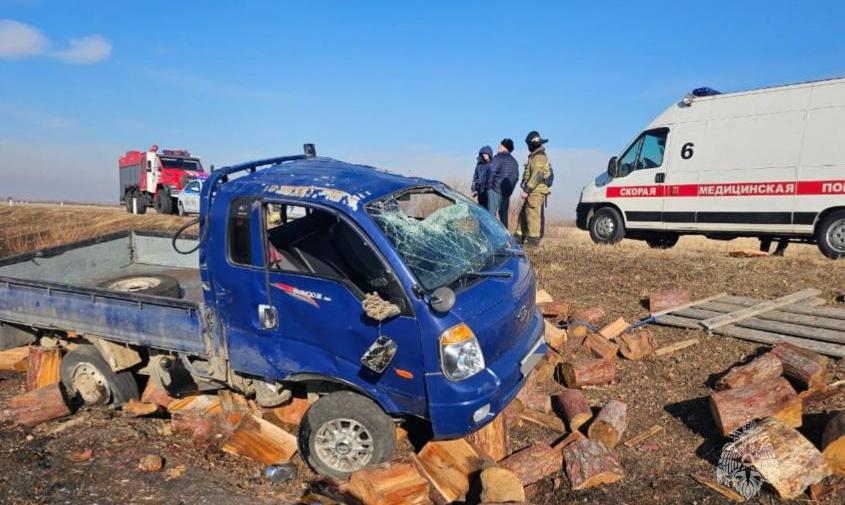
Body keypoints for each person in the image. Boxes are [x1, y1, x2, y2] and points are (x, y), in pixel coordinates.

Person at [517, 130, 552, 247]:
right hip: (533, 190)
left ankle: (533, 241)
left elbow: (537, 175)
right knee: (524, 214)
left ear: (532, 144)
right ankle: (518, 237)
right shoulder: (535, 156)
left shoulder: (539, 157)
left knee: (532, 214)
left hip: (536, 191)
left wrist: (526, 190)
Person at [485, 138, 519, 227]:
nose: (498, 148)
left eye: (499, 146)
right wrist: (509, 191)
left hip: (495, 190)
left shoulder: (498, 157)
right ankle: (505, 238)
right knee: (504, 217)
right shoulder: (515, 162)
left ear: (504, 147)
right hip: (506, 194)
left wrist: (488, 187)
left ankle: (490, 237)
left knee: (491, 215)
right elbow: (516, 178)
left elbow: (491, 171)